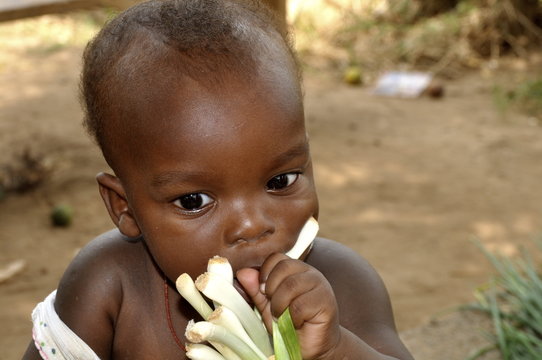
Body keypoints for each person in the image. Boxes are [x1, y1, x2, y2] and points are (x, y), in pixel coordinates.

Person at [23, 0, 414, 359]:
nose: (252, 225)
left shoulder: (342, 283)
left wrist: (336, 349)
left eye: (281, 180)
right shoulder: (109, 287)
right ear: (124, 208)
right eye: (194, 201)